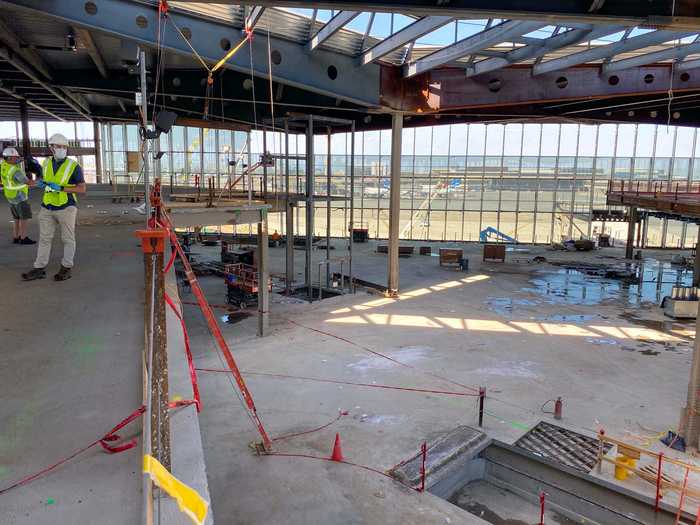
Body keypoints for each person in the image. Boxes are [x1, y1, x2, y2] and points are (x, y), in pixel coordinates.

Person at [22, 133, 86, 282]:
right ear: (51, 148)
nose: (61, 149)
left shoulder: (73, 166)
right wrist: (39, 183)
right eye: (58, 146)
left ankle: (66, 267)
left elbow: (82, 189)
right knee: (44, 238)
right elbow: (45, 180)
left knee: (68, 239)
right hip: (47, 206)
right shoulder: (46, 163)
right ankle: (39, 268)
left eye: (64, 147)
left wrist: (61, 188)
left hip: (66, 206)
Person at [1, 146, 36, 245]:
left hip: (10, 196)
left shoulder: (3, 165)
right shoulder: (15, 171)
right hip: (20, 197)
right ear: (10, 158)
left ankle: (16, 237)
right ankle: (23, 238)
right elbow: (27, 182)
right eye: (16, 157)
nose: (17, 159)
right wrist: (38, 181)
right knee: (23, 218)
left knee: (16, 218)